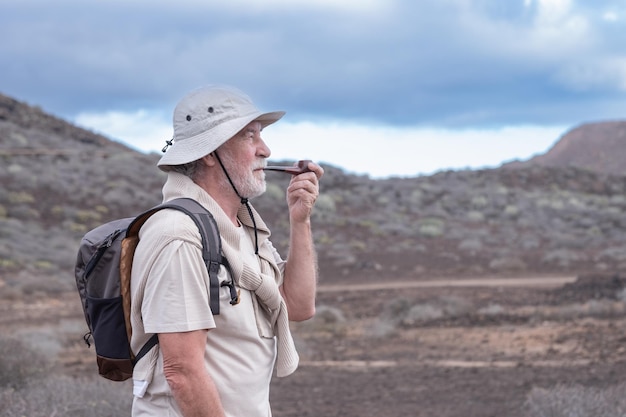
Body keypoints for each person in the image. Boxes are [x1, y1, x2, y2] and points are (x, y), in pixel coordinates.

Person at [129, 85, 324, 417]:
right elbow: (182, 373)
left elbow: (298, 306)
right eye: (250, 136)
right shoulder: (179, 236)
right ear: (209, 152)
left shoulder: (240, 228)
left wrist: (300, 220)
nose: (266, 149)